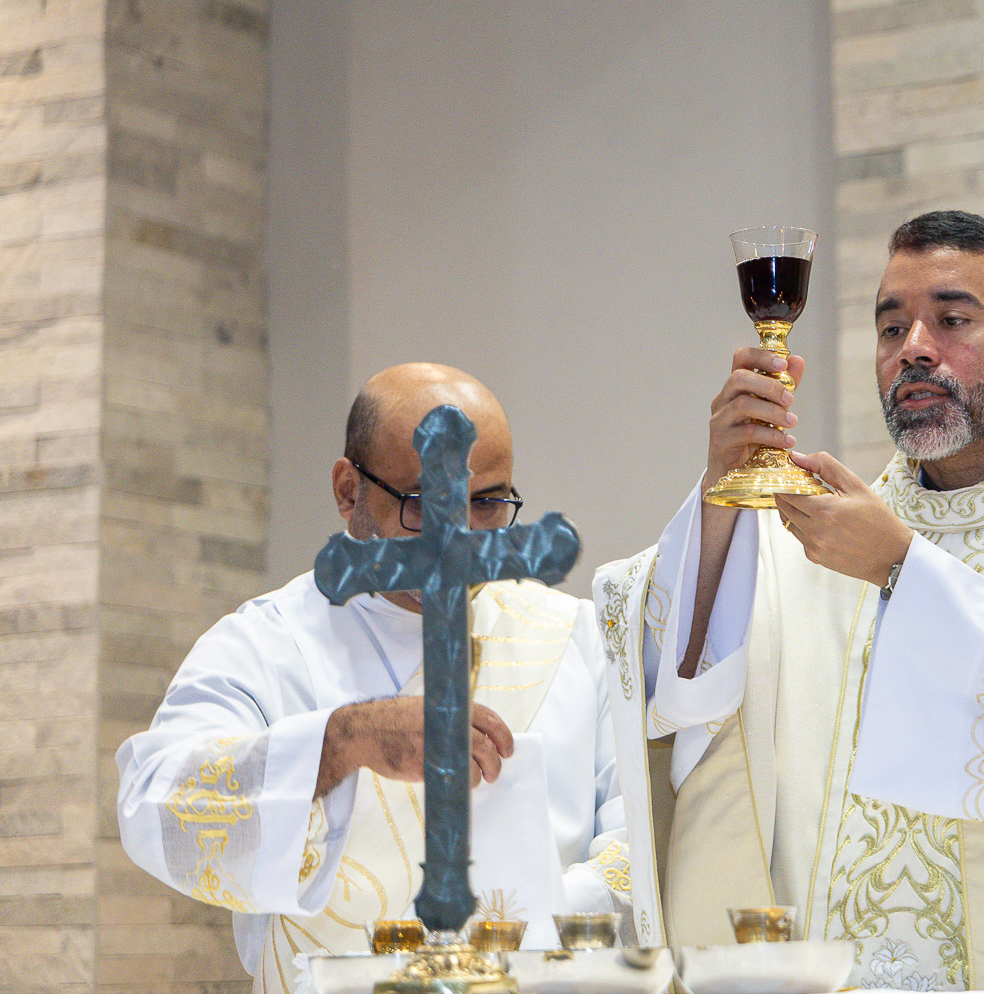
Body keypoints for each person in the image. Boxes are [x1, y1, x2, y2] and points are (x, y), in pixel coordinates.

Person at [595, 211, 984, 989]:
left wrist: (903, 569)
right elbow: (682, 684)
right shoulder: (820, 540)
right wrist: (722, 496)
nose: (915, 349)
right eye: (891, 327)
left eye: (953, 320)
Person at [117, 364, 649, 993]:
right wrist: (343, 741)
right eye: (423, 503)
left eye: (486, 503)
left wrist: (520, 929)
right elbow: (154, 806)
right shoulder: (265, 645)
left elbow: (641, 842)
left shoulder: (574, 638)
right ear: (349, 491)